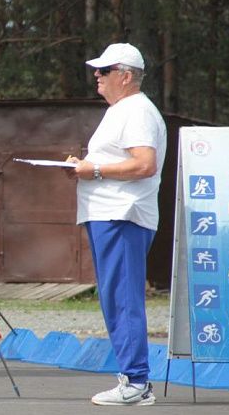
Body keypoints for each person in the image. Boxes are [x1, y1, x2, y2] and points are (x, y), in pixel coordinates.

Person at [65, 43, 166, 406]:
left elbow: (144, 164)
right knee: (115, 297)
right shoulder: (123, 110)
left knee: (123, 299)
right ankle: (133, 378)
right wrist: (86, 165)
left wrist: (92, 168)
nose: (97, 75)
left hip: (122, 214)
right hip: (111, 214)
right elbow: (121, 161)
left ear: (125, 76)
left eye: (104, 70)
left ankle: (136, 381)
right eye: (97, 69)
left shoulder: (136, 110)